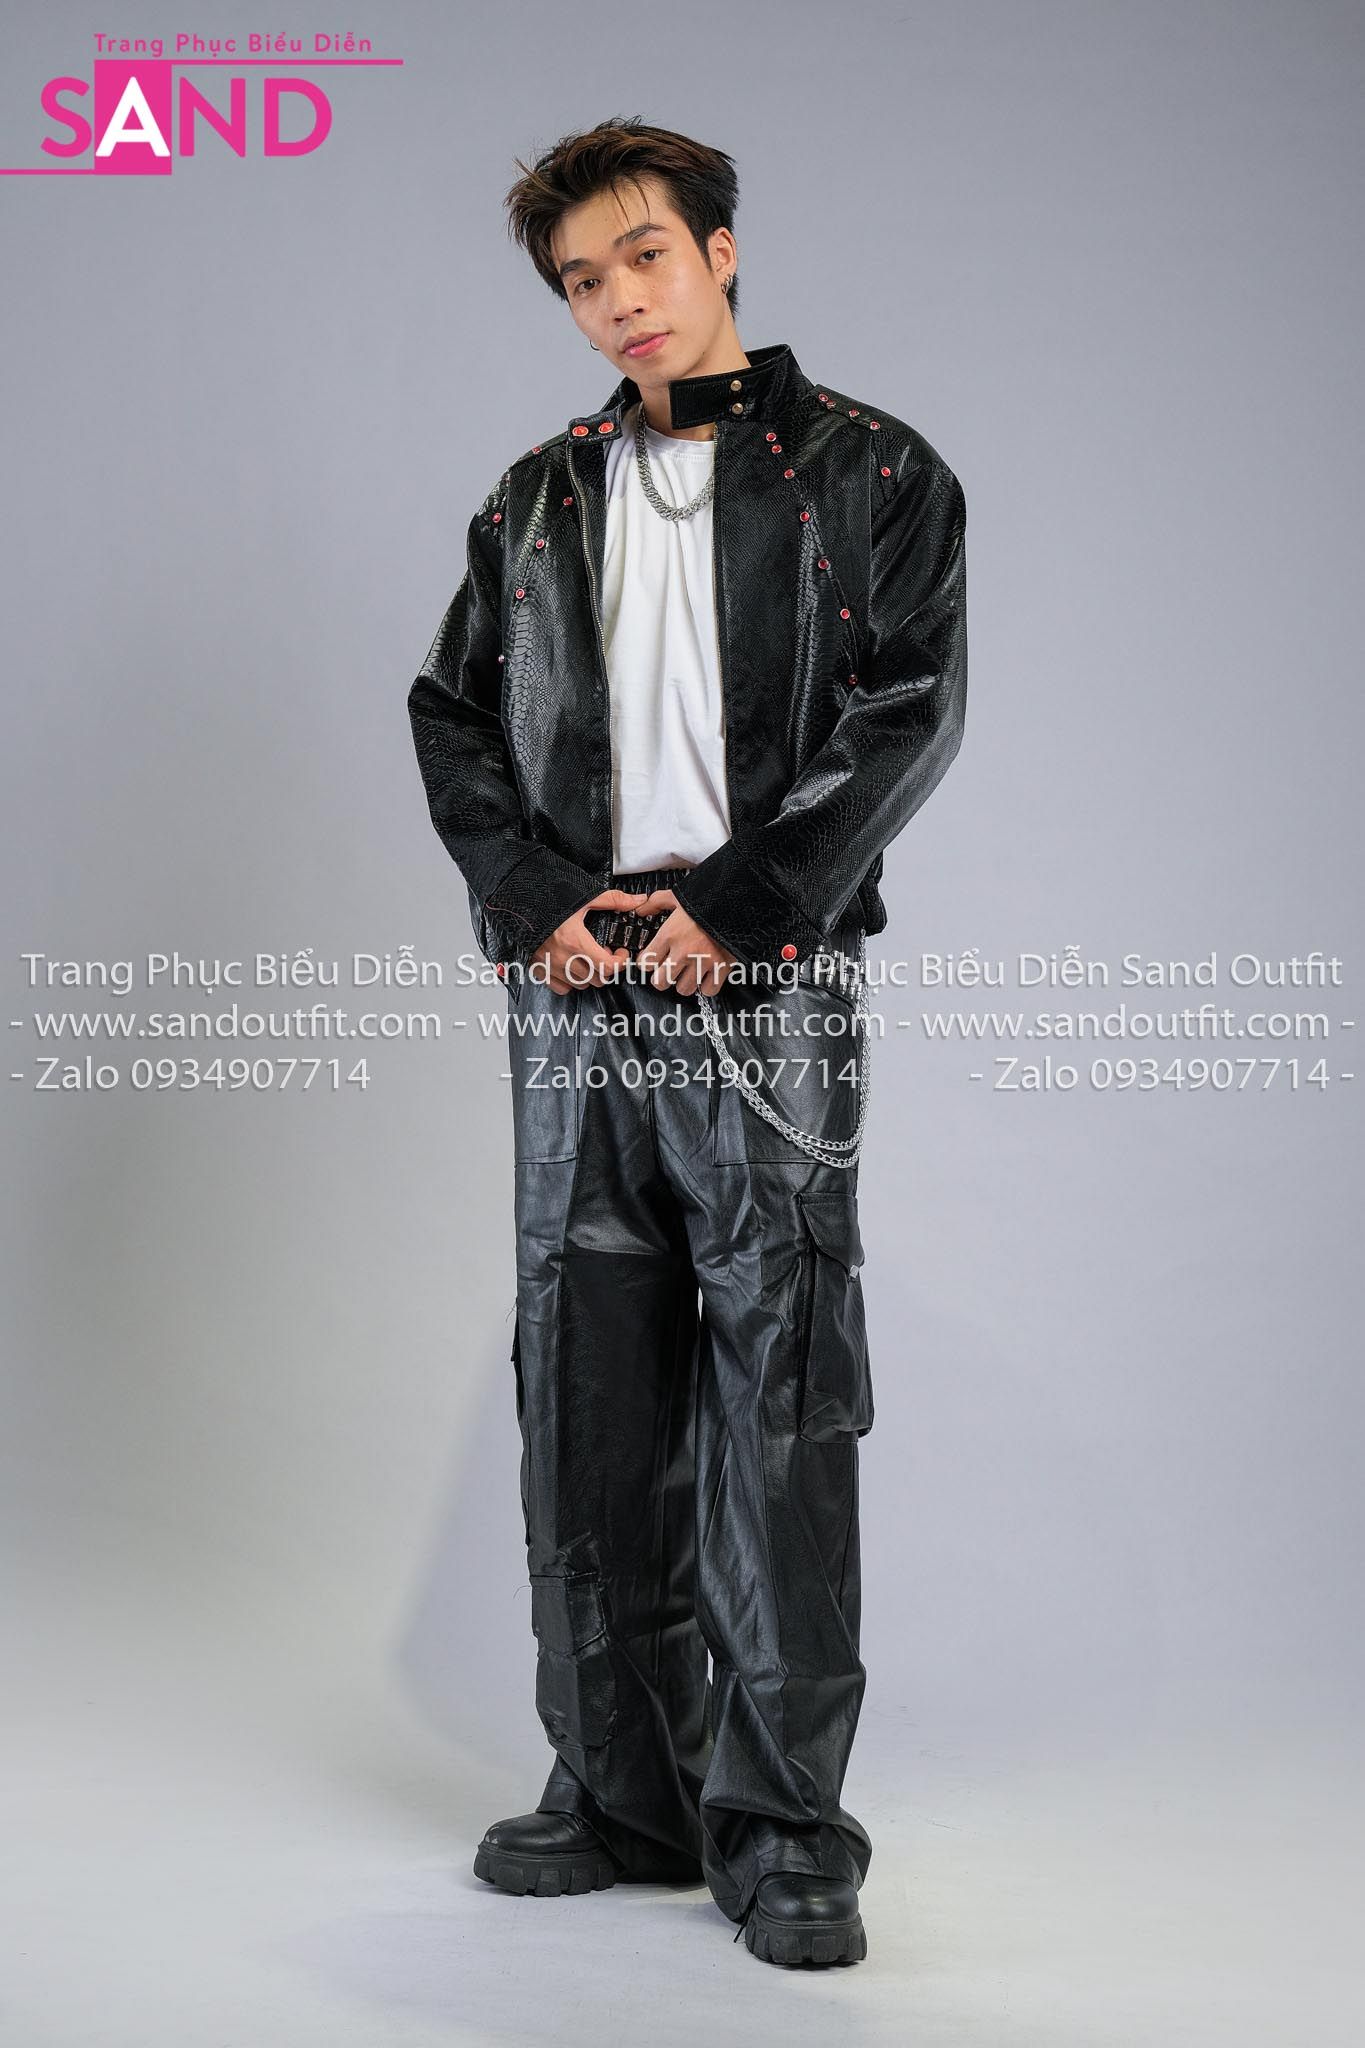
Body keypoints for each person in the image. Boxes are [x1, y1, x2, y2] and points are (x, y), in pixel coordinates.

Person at [407, 115, 968, 1967]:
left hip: (759, 977)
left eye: (643, 256)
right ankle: (619, 1787)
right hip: (577, 980)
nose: (619, 301)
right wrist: (532, 898)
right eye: (583, 281)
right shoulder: (534, 499)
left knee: (777, 1388)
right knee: (584, 1375)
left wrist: (744, 904)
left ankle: (786, 1823)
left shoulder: (872, 473)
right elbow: (452, 714)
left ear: (717, 250)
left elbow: (904, 711)